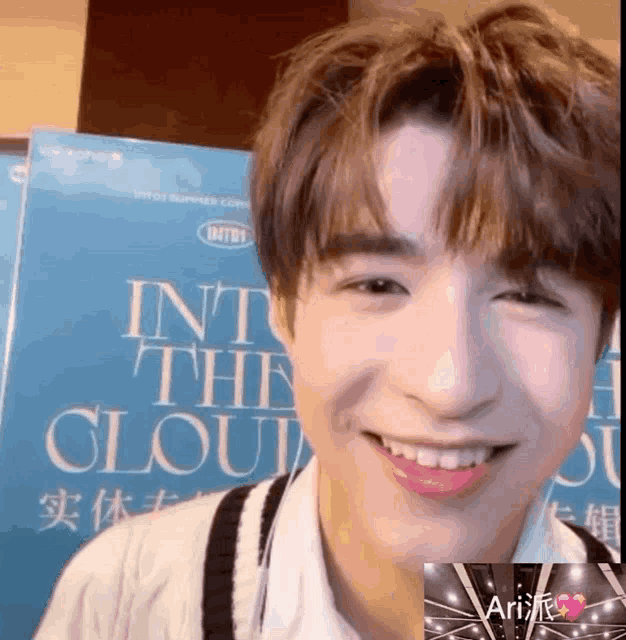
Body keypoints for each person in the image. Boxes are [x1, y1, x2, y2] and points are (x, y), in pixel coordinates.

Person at [34, 2, 620, 639]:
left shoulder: (596, 614)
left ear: (601, 336)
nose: (449, 386)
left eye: (528, 296)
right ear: (284, 309)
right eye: (376, 283)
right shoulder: (130, 598)